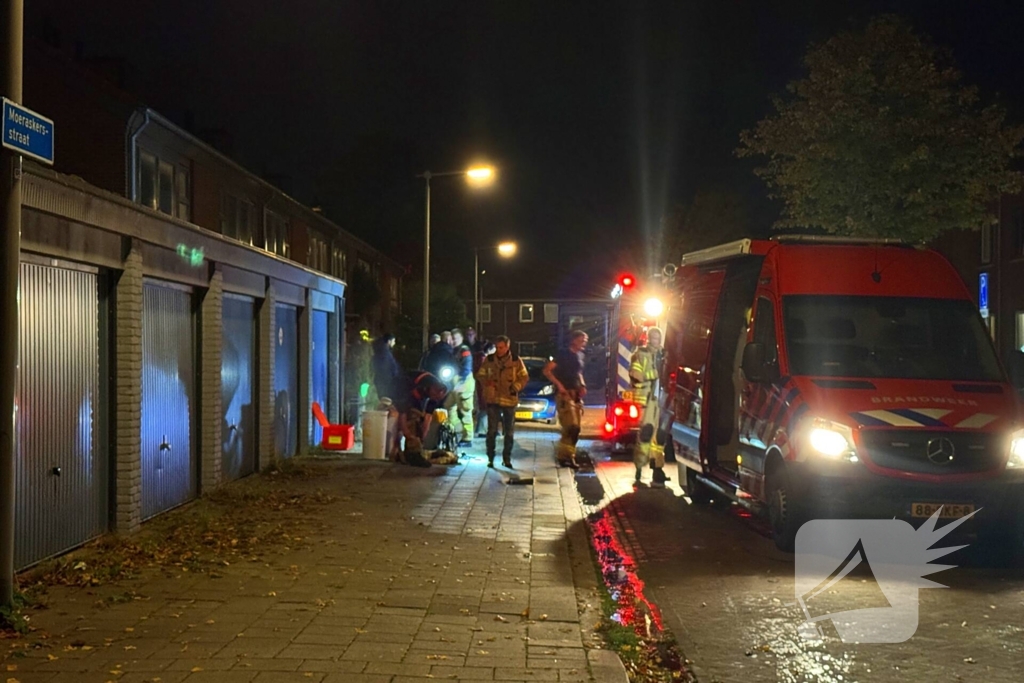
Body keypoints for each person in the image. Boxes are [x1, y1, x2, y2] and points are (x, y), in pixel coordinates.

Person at [477, 335, 529, 468]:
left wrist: (516, 386)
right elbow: (480, 375)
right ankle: (490, 457)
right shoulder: (489, 360)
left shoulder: (516, 361)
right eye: (497, 347)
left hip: (509, 400)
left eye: (501, 347)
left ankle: (507, 458)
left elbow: (524, 377)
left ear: (507, 347)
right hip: (493, 399)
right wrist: (487, 383)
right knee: (492, 431)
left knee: (509, 432)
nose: (498, 350)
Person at [630, 327, 670, 487]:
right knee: (646, 433)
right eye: (653, 338)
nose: (656, 341)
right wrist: (654, 374)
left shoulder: (665, 355)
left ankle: (657, 469)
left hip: (662, 400)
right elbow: (636, 375)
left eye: (658, 338)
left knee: (660, 437)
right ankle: (639, 466)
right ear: (648, 338)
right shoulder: (640, 354)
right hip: (648, 401)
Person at [544, 330, 589, 468]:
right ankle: (566, 456)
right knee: (571, 426)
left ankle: (566, 456)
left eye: (585, 341)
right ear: (574, 340)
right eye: (581, 340)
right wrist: (560, 386)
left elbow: (578, 372)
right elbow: (547, 371)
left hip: (576, 395)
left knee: (576, 428)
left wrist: (582, 385)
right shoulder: (563, 354)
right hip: (564, 395)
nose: (583, 343)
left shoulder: (580, 355)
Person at [391, 371, 448, 467]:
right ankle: (412, 454)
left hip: (413, 400)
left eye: (438, 398)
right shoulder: (407, 385)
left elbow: (428, 416)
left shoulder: (436, 391)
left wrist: (423, 434)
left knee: (419, 419)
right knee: (413, 418)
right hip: (395, 395)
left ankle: (412, 452)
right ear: (429, 389)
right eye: (435, 396)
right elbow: (402, 413)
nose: (436, 399)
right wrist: (408, 435)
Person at [447, 328, 476, 446]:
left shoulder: (464, 351)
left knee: (465, 411)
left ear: (461, 339)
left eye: (455, 338)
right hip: (455, 383)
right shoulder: (453, 351)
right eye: (452, 338)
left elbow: (466, 367)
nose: (453, 341)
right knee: (448, 407)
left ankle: (468, 438)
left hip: (464, 384)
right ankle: (457, 429)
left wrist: (461, 382)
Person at [371, 333, 402, 403]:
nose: (394, 343)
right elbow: (389, 367)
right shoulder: (385, 353)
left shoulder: (380, 352)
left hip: (381, 381)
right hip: (387, 382)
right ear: (389, 341)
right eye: (393, 341)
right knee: (386, 402)